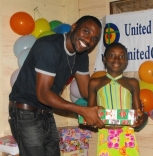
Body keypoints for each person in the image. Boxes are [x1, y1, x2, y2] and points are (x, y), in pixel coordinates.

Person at [8, 15, 105, 156]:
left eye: (94, 38)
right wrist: (82, 110)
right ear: (74, 27)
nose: (89, 40)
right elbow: (43, 94)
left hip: (46, 111)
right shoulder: (49, 46)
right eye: (86, 31)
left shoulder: (82, 55)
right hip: (25, 112)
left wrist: (109, 108)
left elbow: (85, 91)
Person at [88, 42, 148, 156]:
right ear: (104, 59)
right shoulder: (95, 83)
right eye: (111, 55)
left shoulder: (132, 83)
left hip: (127, 135)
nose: (117, 59)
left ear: (126, 61)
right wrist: (93, 121)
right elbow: (89, 113)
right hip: (105, 136)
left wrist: (141, 118)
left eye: (122, 56)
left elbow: (139, 113)